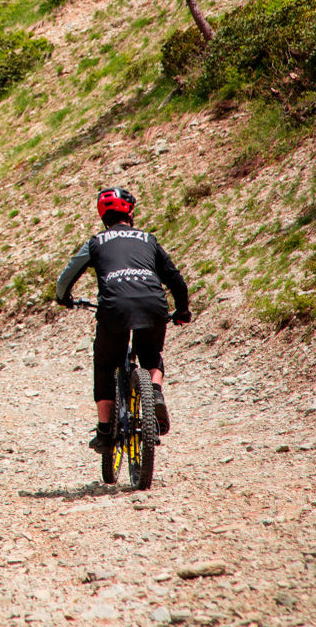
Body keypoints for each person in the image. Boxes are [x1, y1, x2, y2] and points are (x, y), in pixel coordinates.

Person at [56, 188, 191, 452]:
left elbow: (68, 274)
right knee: (151, 355)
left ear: (102, 215)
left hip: (114, 308)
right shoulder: (148, 239)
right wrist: (183, 310)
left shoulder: (96, 242)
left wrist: (64, 297)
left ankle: (105, 431)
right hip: (153, 303)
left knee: (106, 363)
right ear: (130, 212)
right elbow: (175, 278)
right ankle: (155, 393)